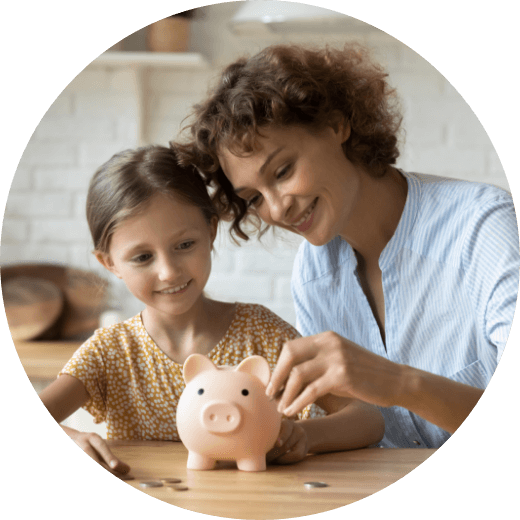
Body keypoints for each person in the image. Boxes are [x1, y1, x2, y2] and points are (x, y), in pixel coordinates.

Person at [173, 42, 520, 448]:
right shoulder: (314, 271)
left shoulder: (483, 228)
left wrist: (399, 382)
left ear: (336, 125)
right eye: (254, 197)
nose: (278, 207)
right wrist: (290, 435)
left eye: (283, 170)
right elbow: (362, 426)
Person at [38, 145, 385, 479]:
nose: (169, 272)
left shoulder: (261, 333)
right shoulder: (110, 352)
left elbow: (368, 418)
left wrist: (307, 435)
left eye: (185, 245)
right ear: (109, 263)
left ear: (211, 230)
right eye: (143, 257)